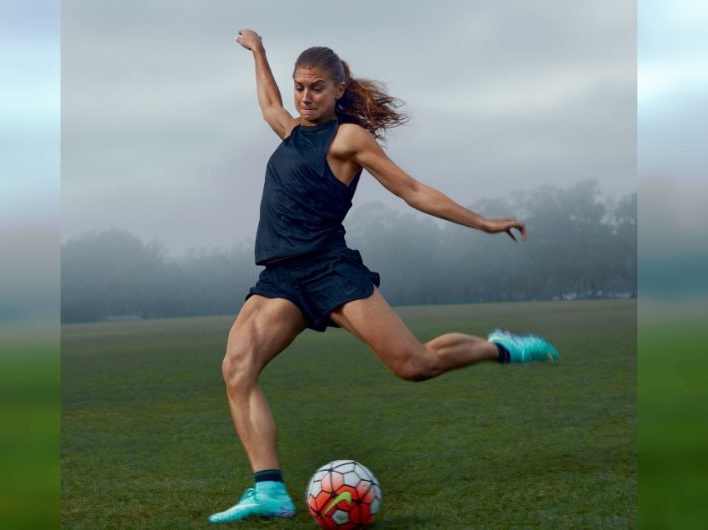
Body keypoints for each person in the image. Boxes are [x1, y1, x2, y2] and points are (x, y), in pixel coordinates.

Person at [208, 29, 559, 524]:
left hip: (330, 269)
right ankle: (268, 490)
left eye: (316, 88)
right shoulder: (290, 131)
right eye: (299, 86)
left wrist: (481, 221)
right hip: (281, 278)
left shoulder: (349, 139)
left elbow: (412, 190)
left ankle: (500, 347)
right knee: (236, 368)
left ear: (338, 90)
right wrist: (259, 53)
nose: (304, 97)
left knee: (415, 365)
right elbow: (268, 103)